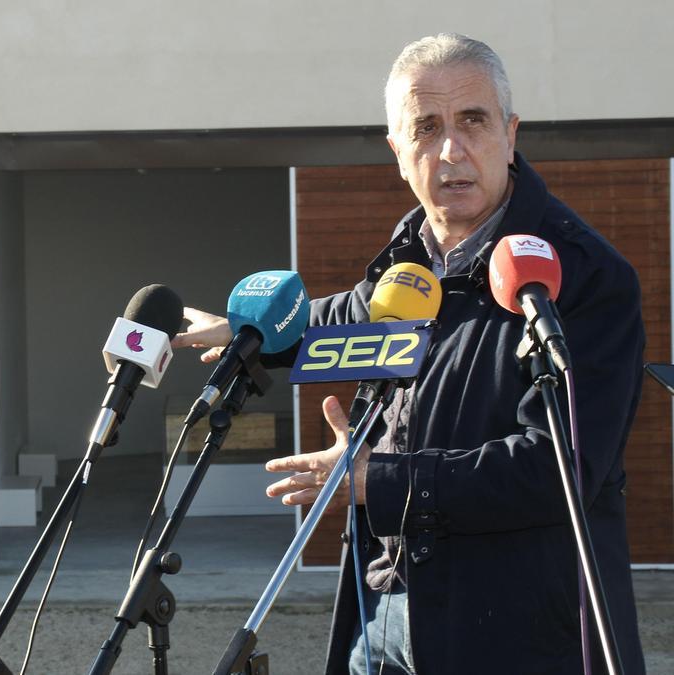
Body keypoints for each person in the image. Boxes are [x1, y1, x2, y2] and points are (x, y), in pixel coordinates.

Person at [174, 34, 646, 674]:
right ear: (398, 152)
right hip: (385, 620)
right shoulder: (409, 262)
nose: (451, 150)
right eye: (426, 128)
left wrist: (378, 481)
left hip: (520, 633)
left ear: (510, 135)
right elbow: (346, 319)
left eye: (473, 121)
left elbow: (556, 468)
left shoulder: (582, 277)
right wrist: (252, 333)